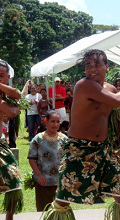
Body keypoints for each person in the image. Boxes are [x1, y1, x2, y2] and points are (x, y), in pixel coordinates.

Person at [42, 49, 120, 220]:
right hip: (78, 150)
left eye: (97, 64)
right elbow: (118, 101)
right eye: (88, 65)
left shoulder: (109, 89)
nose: (92, 69)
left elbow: (117, 120)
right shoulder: (84, 85)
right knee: (64, 200)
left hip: (103, 150)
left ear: (107, 67)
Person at [28, 110, 68, 212]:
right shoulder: (38, 139)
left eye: (58, 122)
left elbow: (69, 158)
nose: (55, 124)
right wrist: (39, 175)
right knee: (44, 210)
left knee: (60, 212)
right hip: (43, 182)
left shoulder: (64, 139)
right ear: (46, 121)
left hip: (60, 182)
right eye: (52, 121)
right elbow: (32, 159)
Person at [0, 60, 23, 220]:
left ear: (7, 77)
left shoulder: (4, 92)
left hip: (1, 143)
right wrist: (16, 108)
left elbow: (18, 95)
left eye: (1, 75)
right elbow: (12, 111)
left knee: (14, 182)